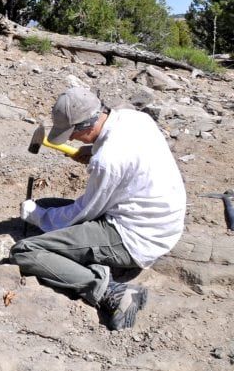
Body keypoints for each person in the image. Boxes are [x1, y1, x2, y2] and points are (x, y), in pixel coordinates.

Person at [10, 87, 185, 331]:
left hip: (135, 237)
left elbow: (84, 212)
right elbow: (126, 154)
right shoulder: (135, 118)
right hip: (161, 220)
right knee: (48, 206)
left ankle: (111, 292)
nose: (70, 140)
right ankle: (90, 262)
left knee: (25, 251)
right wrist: (92, 149)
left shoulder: (108, 160)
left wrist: (39, 218)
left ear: (87, 125)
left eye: (72, 134)